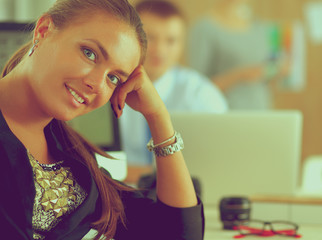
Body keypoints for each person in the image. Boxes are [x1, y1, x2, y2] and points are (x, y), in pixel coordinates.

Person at [0, 0, 204, 240]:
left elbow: (177, 234)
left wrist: (158, 116)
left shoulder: (72, 156)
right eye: (90, 54)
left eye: (114, 78)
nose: (96, 84)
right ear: (43, 30)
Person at [120, 0, 228, 169]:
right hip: (114, 190)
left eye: (171, 41)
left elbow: (219, 157)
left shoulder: (202, 93)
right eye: (150, 38)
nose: (160, 50)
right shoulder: (106, 86)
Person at [188, 0, 289, 110]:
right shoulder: (204, 28)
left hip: (262, 111)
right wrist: (240, 75)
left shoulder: (260, 27)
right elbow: (197, 87)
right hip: (226, 113)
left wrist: (275, 70)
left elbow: (265, 77)